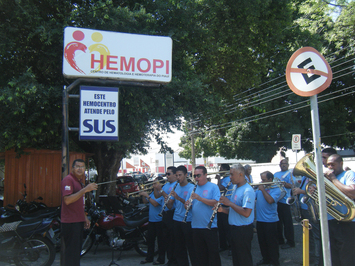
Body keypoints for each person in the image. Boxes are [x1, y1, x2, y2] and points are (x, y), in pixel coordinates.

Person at [61, 159, 98, 266]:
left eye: (82, 167)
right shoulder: (68, 180)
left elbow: (79, 203)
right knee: (71, 254)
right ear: (72, 168)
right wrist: (85, 190)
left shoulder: (77, 182)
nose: (79, 169)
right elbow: (67, 200)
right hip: (70, 223)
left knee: (76, 253)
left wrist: (84, 217)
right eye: (77, 166)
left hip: (78, 221)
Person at [218, 164, 255, 266]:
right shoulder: (235, 187)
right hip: (234, 229)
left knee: (244, 260)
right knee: (237, 260)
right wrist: (222, 210)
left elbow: (246, 213)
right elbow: (234, 210)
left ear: (240, 174)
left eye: (232, 174)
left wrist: (229, 203)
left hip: (243, 230)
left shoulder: (247, 190)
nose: (230, 177)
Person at [185, 165, 221, 266]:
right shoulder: (192, 188)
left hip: (209, 226)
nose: (196, 178)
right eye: (194, 175)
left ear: (205, 175)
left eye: (198, 175)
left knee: (213, 254)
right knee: (200, 255)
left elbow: (216, 203)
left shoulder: (213, 187)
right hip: (196, 226)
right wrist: (187, 205)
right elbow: (190, 205)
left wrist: (200, 198)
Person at [323, 154, 355, 265]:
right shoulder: (325, 179)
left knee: (347, 258)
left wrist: (333, 179)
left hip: (346, 222)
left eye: (333, 164)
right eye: (328, 165)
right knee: (333, 258)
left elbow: (352, 192)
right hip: (330, 221)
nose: (330, 167)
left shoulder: (348, 174)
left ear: (341, 164)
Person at [167, 165, 199, 266]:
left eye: (180, 175)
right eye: (176, 175)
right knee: (179, 247)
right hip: (176, 219)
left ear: (186, 175)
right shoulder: (175, 187)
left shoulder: (191, 187)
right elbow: (170, 206)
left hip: (187, 220)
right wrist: (167, 200)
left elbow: (189, 205)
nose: (178, 177)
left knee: (191, 246)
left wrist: (178, 197)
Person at [292, 176, 321, 265]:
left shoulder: (314, 176)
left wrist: (300, 191)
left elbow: (316, 191)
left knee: (317, 237)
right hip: (304, 209)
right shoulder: (305, 177)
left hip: (312, 210)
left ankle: (319, 260)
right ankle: (309, 258)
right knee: (308, 236)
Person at [255, 171, 281, 266]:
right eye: (261, 179)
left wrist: (262, 190)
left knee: (272, 243)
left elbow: (270, 200)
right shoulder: (260, 189)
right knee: (262, 242)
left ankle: (275, 261)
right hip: (260, 220)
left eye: (264, 180)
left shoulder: (276, 189)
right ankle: (265, 259)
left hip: (271, 221)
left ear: (270, 180)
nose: (262, 182)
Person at [154, 166, 178, 266]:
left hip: (172, 213)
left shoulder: (176, 185)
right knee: (166, 239)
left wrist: (161, 190)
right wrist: (156, 187)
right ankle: (169, 259)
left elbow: (168, 199)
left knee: (173, 239)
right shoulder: (167, 184)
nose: (166, 176)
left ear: (175, 174)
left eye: (168, 174)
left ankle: (174, 260)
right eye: (166, 174)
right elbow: (157, 196)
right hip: (165, 213)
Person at [140, 177, 166, 265]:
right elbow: (145, 202)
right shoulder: (152, 193)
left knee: (161, 241)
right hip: (152, 220)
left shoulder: (161, 194)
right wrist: (144, 194)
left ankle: (161, 259)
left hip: (159, 220)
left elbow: (155, 204)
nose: (153, 184)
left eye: (155, 183)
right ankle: (149, 257)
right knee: (150, 240)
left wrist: (147, 195)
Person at [274, 159, 295, 249]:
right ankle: (280, 240)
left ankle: (290, 241)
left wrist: (283, 183)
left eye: (285, 164)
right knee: (278, 222)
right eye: (282, 164)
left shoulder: (291, 173)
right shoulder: (276, 174)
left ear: (288, 165)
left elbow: (292, 186)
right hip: (277, 201)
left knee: (287, 223)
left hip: (286, 201)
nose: (284, 165)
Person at [215, 164, 233, 252]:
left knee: (227, 226)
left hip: (227, 204)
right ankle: (223, 245)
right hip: (221, 203)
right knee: (221, 226)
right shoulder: (223, 179)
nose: (219, 170)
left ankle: (230, 246)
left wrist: (218, 179)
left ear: (226, 169)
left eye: (221, 169)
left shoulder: (228, 179)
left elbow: (219, 188)